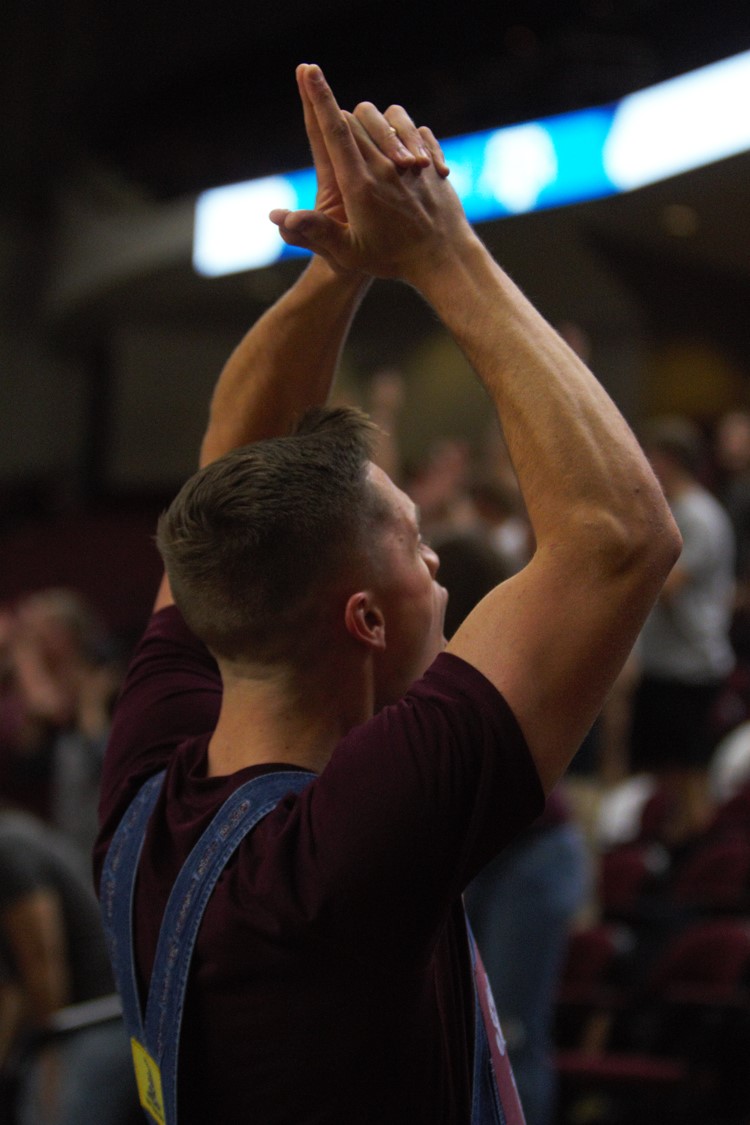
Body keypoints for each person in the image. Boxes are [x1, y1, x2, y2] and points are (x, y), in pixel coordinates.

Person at [93, 64, 680, 1125]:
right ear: (363, 619)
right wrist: (441, 249)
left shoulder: (150, 776)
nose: (443, 570)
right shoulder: (349, 843)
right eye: (417, 547)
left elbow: (234, 466)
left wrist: (338, 269)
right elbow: (618, 538)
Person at [630, 415, 735, 844]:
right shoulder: (677, 512)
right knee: (661, 768)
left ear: (671, 461)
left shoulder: (699, 517)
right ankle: (663, 849)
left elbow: (668, 586)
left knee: (688, 771)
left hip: (692, 666)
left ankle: (693, 859)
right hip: (666, 663)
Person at [0, 808, 139, 1125]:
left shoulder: (8, 847)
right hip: (85, 1018)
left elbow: (43, 963)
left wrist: (50, 1063)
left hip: (101, 1016)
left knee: (49, 1114)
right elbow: (12, 987)